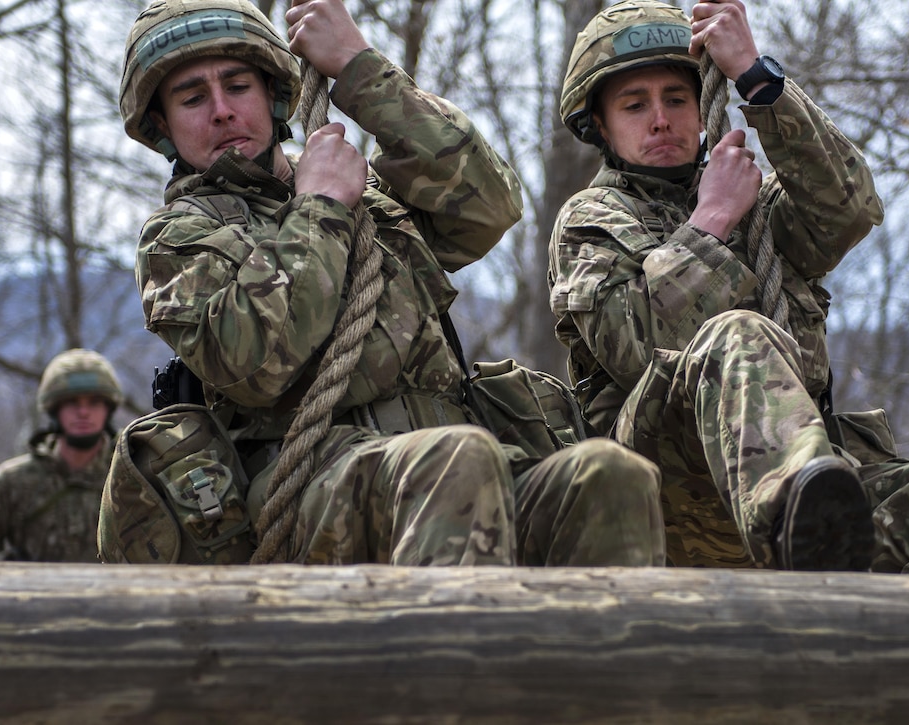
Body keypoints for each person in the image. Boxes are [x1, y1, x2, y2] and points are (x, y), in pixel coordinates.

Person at [104, 0, 664, 567]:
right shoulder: (178, 238)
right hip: (317, 489)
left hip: (465, 459)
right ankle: (447, 653)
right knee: (456, 459)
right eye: (193, 98)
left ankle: (605, 653)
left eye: (238, 86)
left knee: (608, 476)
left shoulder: (369, 197)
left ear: (274, 95)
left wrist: (356, 65)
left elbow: (489, 205)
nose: (222, 111)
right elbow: (253, 361)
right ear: (162, 126)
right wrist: (319, 207)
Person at [548, 0, 909, 574]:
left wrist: (757, 79)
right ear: (600, 125)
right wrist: (710, 222)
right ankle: (798, 516)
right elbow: (638, 348)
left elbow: (850, 209)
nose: (661, 119)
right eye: (634, 105)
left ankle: (880, 634)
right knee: (737, 332)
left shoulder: (759, 205)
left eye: (676, 99)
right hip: (670, 494)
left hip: (825, 503)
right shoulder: (591, 219)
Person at [0, 349, 123, 562]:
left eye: (94, 402)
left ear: (108, 409)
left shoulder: (130, 477)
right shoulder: (12, 481)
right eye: (72, 403)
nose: (83, 412)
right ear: (54, 410)